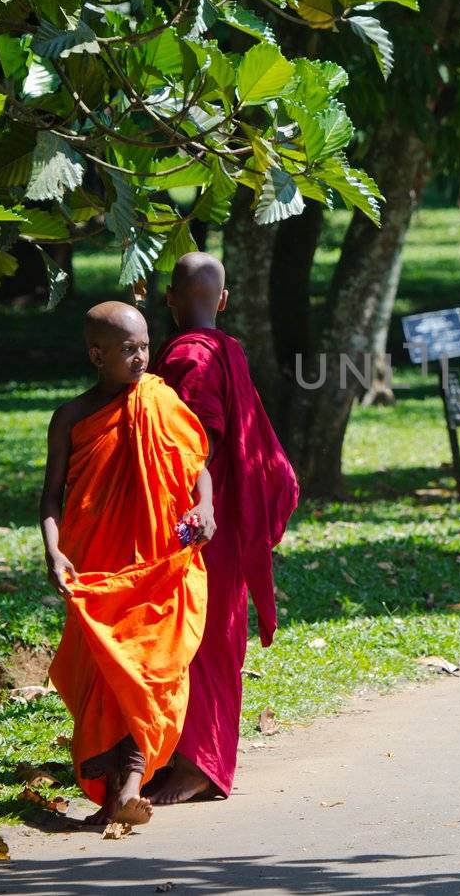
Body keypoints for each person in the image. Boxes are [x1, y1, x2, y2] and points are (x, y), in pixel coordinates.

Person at [42, 302, 215, 826]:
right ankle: (116, 793)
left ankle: (130, 785)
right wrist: (53, 551)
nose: (141, 358)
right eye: (126, 350)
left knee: (153, 671)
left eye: (144, 346)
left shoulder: (161, 401)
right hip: (97, 570)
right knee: (107, 677)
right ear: (96, 354)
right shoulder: (72, 418)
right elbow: (51, 496)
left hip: (160, 564)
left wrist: (204, 506)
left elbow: (197, 467)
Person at [148, 253, 300, 805]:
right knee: (210, 634)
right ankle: (176, 752)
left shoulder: (190, 355)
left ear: (169, 299)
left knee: (203, 638)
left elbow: (198, 438)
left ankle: (198, 764)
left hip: (202, 517)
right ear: (225, 301)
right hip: (227, 514)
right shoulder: (227, 348)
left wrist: (194, 508)